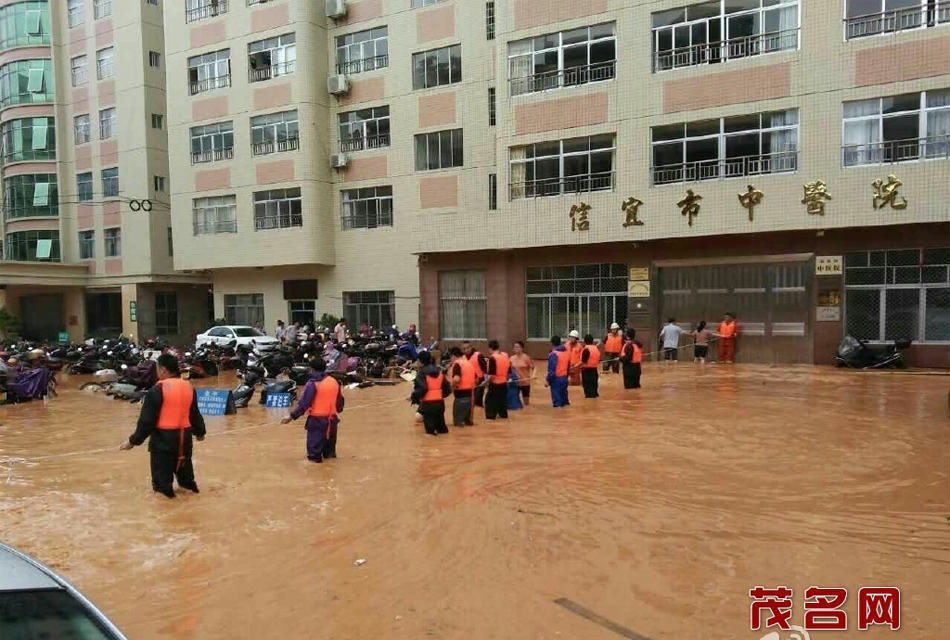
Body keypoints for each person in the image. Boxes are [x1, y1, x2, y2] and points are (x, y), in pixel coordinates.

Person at [119, 354, 206, 498]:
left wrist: (132, 441)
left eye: (157, 369)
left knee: (162, 490)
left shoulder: (156, 390)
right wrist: (200, 433)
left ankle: (168, 514)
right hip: (184, 441)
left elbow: (146, 422)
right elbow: (195, 414)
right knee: (188, 484)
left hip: (163, 443)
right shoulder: (189, 387)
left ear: (164, 370)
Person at [281, 359, 344, 462]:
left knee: (314, 457)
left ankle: (315, 476)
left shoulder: (312, 383)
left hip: (317, 422)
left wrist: (291, 416)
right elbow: (340, 403)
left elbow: (303, 404)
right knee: (330, 456)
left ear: (311, 369)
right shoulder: (334, 381)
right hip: (332, 422)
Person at [410, 351, 451, 435]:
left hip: (428, 406)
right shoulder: (439, 371)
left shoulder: (421, 373)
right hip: (440, 404)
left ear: (420, 361)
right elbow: (448, 389)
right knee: (442, 430)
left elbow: (422, 388)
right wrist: (439, 395)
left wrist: (414, 397)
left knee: (430, 433)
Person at [484, 340, 510, 421]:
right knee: (502, 402)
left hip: (495, 384)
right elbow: (509, 372)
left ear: (490, 348)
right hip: (504, 384)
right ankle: (503, 415)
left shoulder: (492, 358)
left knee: (489, 401)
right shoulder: (505, 357)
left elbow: (492, 375)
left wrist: (485, 383)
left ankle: (490, 417)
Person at [449, 347, 475, 427]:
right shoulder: (468, 363)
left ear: (453, 356)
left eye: (450, 357)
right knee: (468, 423)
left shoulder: (457, 364)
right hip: (470, 396)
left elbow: (456, 379)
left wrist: (451, 387)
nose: (450, 359)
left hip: (460, 396)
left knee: (457, 423)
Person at [545, 335, 570, 408]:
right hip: (564, 379)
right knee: (565, 402)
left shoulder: (553, 354)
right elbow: (568, 368)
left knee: (557, 403)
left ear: (552, 343)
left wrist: (547, 380)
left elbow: (551, 370)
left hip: (556, 380)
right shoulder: (566, 353)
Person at [462, 341, 487, 408]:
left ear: (471, 347)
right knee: (469, 403)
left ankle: (479, 416)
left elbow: (485, 369)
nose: (466, 350)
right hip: (468, 384)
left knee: (477, 402)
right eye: (464, 349)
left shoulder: (478, 355)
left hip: (479, 383)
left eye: (467, 348)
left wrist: (485, 381)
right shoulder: (463, 357)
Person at [509, 341, 535, 406]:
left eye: (518, 347)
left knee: (526, 403)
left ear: (522, 348)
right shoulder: (511, 358)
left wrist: (534, 375)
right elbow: (508, 370)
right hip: (515, 383)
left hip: (525, 382)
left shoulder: (526, 357)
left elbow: (534, 368)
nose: (516, 348)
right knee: (514, 402)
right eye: (515, 347)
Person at [579, 334, 601, 399]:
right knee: (594, 391)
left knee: (588, 393)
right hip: (594, 371)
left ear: (585, 341)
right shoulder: (595, 348)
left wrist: (573, 367)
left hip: (586, 372)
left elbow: (583, 362)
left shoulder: (586, 350)